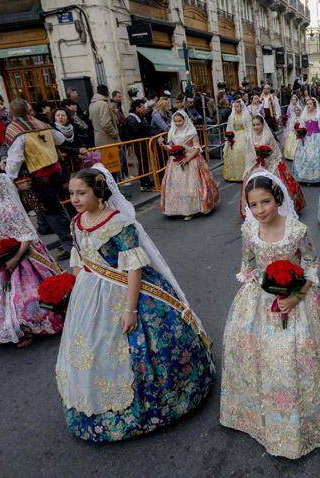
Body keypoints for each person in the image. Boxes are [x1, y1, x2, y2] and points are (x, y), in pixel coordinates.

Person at [56, 166, 215, 442]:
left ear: (99, 192)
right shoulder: (76, 223)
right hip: (91, 295)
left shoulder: (118, 223)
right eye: (71, 193)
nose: (76, 199)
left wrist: (130, 309)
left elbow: (133, 269)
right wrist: (77, 297)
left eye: (81, 193)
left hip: (126, 292)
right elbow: (79, 260)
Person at [220, 171, 320, 459]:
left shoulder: (297, 231)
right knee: (256, 355)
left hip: (298, 298)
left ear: (278, 199)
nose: (260, 210)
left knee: (297, 355)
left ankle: (305, 416)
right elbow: (248, 264)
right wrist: (257, 290)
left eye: (266, 202)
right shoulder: (248, 231)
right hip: (259, 299)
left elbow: (310, 264)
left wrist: (296, 295)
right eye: (254, 205)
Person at [0, 172, 63, 347]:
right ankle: (8, 327)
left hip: (23, 256)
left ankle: (31, 328)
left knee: (26, 296)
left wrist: (14, 259)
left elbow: (26, 236)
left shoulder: (9, 209)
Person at [4, 99, 73, 256]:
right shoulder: (40, 123)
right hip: (55, 171)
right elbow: (61, 139)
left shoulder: (15, 129)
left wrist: (10, 177)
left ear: (12, 112)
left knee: (52, 212)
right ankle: (71, 240)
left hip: (40, 176)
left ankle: (71, 245)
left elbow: (15, 159)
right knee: (56, 208)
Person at [158, 110, 220, 219]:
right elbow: (171, 148)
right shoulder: (172, 131)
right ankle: (178, 208)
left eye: (180, 121)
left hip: (191, 160)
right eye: (175, 121)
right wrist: (162, 145)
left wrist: (187, 159)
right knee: (176, 186)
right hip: (175, 162)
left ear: (185, 120)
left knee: (191, 185)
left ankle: (191, 209)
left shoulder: (191, 131)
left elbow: (197, 149)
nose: (177, 123)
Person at [240, 114, 304, 218]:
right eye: (254, 125)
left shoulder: (268, 136)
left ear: (262, 124)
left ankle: (278, 208)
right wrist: (255, 161)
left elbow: (275, 152)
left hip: (270, 164)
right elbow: (248, 153)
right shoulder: (249, 136)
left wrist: (266, 159)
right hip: (255, 164)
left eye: (258, 124)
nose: (256, 127)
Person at [293, 97, 320, 183]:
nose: (308, 106)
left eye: (310, 104)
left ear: (314, 105)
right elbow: (302, 126)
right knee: (305, 157)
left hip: (317, 137)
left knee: (316, 157)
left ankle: (317, 178)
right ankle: (304, 177)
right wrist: (300, 134)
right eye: (307, 104)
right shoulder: (305, 114)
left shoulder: (319, 114)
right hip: (306, 138)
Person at [123, 99, 154, 191]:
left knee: (145, 163)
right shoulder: (132, 118)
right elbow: (135, 132)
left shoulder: (138, 117)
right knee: (142, 163)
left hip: (142, 144)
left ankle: (146, 181)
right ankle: (144, 184)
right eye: (142, 107)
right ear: (137, 108)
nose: (144, 109)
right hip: (139, 144)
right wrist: (145, 129)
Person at [52, 107, 88, 175]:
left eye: (63, 115)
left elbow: (78, 139)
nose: (60, 117)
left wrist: (83, 148)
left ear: (68, 118)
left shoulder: (73, 127)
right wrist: (77, 151)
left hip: (75, 159)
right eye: (58, 115)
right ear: (54, 118)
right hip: (63, 161)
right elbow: (60, 146)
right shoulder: (53, 130)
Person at [223, 99, 251, 182]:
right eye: (234, 106)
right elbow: (229, 127)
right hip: (234, 135)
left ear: (241, 107)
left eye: (237, 106)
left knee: (241, 150)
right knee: (233, 152)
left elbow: (249, 127)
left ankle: (244, 173)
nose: (235, 108)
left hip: (243, 135)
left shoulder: (246, 116)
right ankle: (234, 174)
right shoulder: (232, 116)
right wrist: (229, 137)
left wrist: (249, 138)